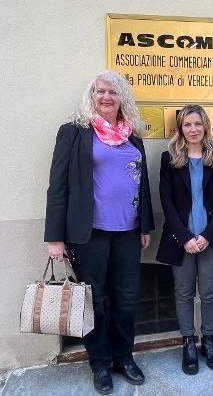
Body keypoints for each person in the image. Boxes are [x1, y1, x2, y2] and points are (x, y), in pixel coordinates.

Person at [44, 70, 155, 394]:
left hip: (128, 232)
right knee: (97, 301)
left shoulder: (132, 135)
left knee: (127, 298)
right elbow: (58, 186)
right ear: (91, 96)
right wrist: (54, 237)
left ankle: (124, 357)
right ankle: (101, 364)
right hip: (90, 233)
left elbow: (142, 182)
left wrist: (144, 225)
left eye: (113, 92)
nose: (106, 97)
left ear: (122, 98)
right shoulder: (74, 132)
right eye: (100, 91)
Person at [156, 105, 213, 375]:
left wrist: (207, 236)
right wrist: (185, 237)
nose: (193, 129)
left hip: (212, 238)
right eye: (187, 125)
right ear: (181, 129)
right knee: (184, 292)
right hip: (181, 240)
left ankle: (208, 340)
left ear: (205, 126)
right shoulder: (169, 159)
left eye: (197, 124)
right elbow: (166, 200)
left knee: (210, 292)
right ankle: (188, 341)